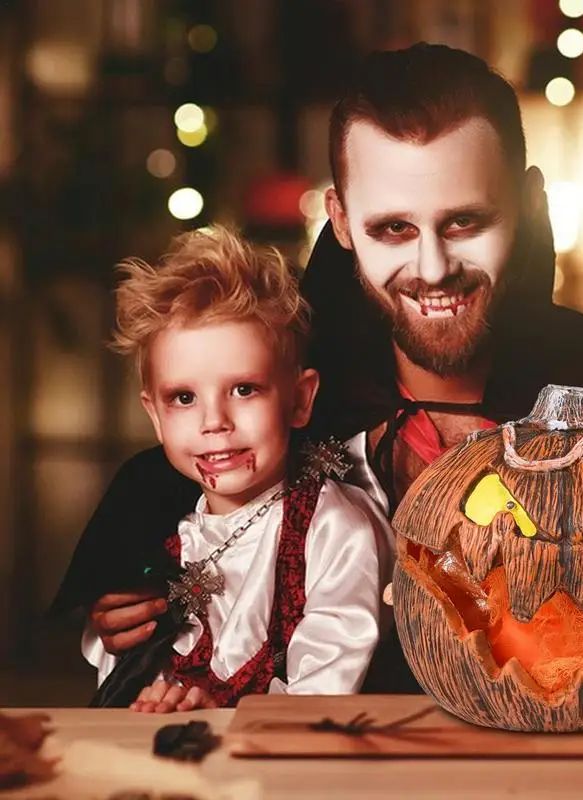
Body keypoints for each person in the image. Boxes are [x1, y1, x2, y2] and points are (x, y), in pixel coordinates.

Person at [52, 43, 583, 712]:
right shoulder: (282, 406)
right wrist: (137, 607)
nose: (434, 267)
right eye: (393, 229)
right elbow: (190, 525)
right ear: (341, 222)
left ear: (531, 203)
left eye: (466, 222)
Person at [60, 224, 393, 712]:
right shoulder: (158, 532)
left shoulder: (335, 531)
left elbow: (325, 693)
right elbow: (123, 673)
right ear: (154, 415)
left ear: (300, 400)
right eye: (184, 397)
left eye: (244, 389)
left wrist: (221, 718)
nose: (214, 422)